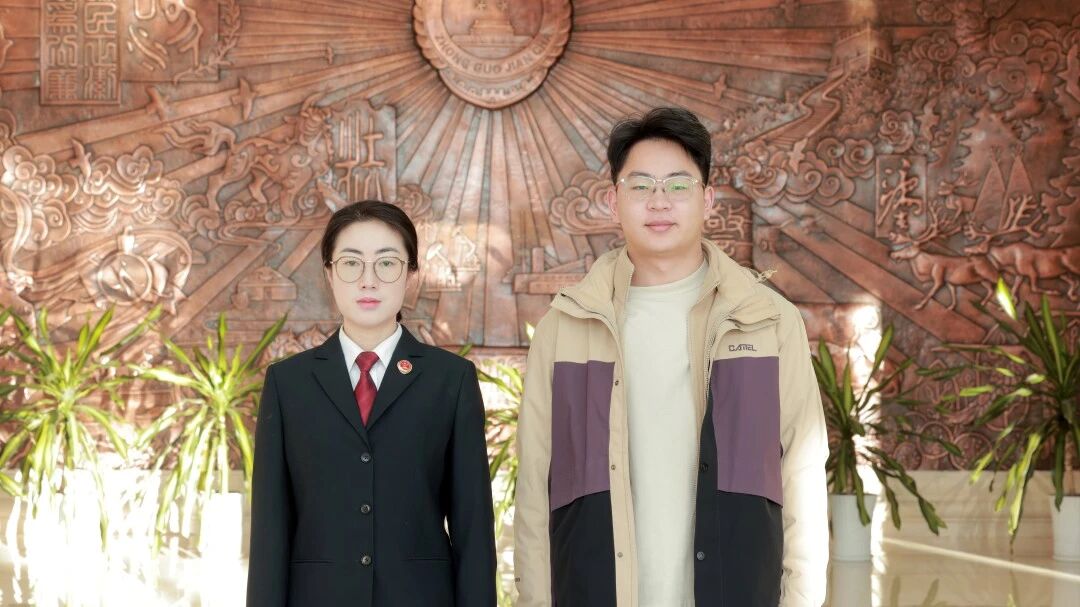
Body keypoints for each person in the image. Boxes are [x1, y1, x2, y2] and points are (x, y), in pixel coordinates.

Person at [514, 107, 828, 606]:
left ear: (707, 200)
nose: (659, 201)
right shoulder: (568, 326)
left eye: (678, 185)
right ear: (613, 201)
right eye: (640, 185)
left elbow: (802, 474)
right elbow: (535, 485)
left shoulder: (767, 321)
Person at [247, 200, 496, 606]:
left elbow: (474, 531)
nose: (368, 281)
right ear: (329, 273)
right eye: (351, 263)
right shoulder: (288, 384)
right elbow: (269, 534)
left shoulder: (450, 381)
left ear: (411, 273)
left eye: (386, 263)